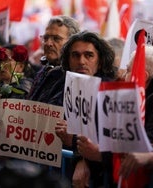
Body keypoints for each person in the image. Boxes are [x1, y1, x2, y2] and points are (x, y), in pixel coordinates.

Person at [51, 30, 117, 187]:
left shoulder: (110, 92)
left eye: (89, 55)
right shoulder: (60, 86)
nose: (81, 61)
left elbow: (111, 141)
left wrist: (81, 156)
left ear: (100, 61)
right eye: (75, 55)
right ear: (68, 60)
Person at [27, 15, 80, 101]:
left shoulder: (76, 78)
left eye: (56, 39)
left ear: (72, 43)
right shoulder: (43, 71)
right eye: (46, 38)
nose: (48, 43)